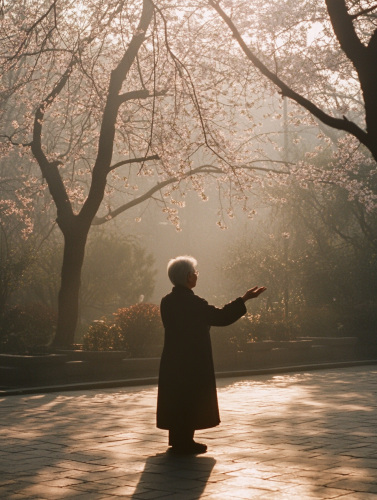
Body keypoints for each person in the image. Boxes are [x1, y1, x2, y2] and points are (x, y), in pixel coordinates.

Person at [156, 255, 266, 454]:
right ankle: (185, 442)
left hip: (173, 358)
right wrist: (244, 299)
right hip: (192, 359)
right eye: (195, 273)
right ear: (189, 277)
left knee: (177, 397)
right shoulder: (193, 302)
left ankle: (178, 440)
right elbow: (222, 317)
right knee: (190, 397)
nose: (197, 276)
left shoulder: (167, 301)